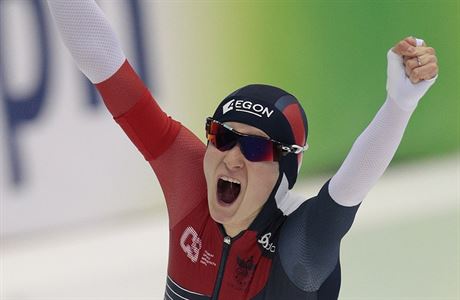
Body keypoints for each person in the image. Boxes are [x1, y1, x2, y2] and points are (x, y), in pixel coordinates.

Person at [47, 1, 438, 299]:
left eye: (254, 147)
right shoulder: (191, 177)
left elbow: (351, 185)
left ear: (285, 168)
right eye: (222, 136)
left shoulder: (299, 244)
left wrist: (400, 104)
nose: (231, 156)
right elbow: (103, 62)